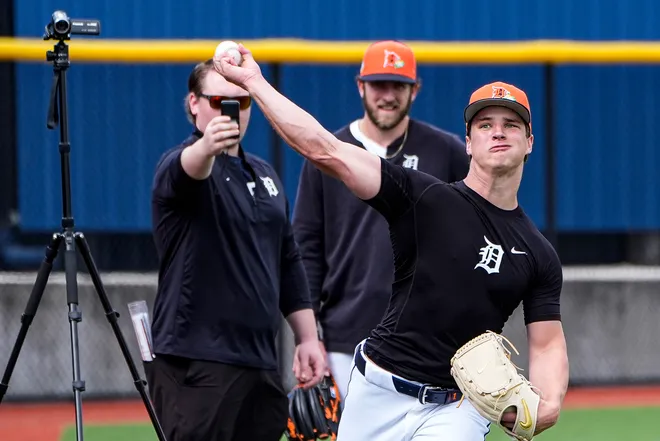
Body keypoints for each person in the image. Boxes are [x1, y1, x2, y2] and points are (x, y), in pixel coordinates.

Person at [216, 44, 570, 441]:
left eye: (511, 124)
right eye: (485, 125)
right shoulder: (424, 199)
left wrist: (548, 403)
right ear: (468, 143)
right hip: (376, 392)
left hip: (455, 408)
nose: (499, 132)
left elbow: (547, 343)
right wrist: (253, 82)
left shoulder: (538, 253)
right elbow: (324, 149)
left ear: (530, 142)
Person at [146, 59, 326, 441]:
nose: (230, 112)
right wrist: (207, 147)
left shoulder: (265, 174)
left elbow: (288, 260)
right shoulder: (183, 165)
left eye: (241, 103)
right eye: (217, 101)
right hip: (197, 362)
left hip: (260, 361)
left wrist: (308, 338)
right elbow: (185, 170)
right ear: (193, 103)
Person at [291, 40, 470, 403]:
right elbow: (307, 247)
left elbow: (470, 239)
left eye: (398, 86)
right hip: (347, 332)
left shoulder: (446, 151)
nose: (387, 95)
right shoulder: (328, 155)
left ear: (414, 90)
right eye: (378, 85)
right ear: (361, 86)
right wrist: (310, 335)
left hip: (427, 337)